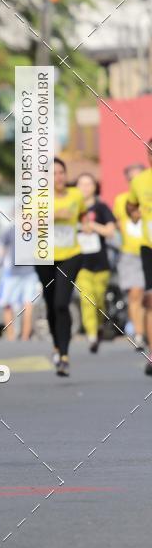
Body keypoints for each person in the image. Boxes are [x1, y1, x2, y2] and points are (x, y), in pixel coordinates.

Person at [35, 158, 86, 377]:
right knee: (50, 303)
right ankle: (56, 345)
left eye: (61, 173)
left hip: (71, 255)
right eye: (53, 173)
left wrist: (89, 225)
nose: (58, 177)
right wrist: (53, 216)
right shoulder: (38, 198)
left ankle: (64, 356)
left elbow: (84, 215)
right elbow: (26, 222)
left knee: (61, 304)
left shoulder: (76, 196)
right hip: (45, 257)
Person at [75, 173, 116, 353]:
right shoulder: (72, 207)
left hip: (101, 263)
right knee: (87, 299)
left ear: (94, 187)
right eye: (81, 184)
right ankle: (91, 335)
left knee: (98, 300)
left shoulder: (101, 207)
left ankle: (99, 326)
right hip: (80, 262)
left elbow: (110, 231)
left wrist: (93, 227)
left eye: (88, 184)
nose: (84, 187)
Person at [126, 140, 152, 376]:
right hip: (148, 247)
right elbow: (130, 205)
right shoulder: (140, 181)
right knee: (150, 298)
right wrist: (133, 214)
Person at [114, 164, 146, 350]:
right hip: (130, 253)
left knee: (147, 298)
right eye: (130, 178)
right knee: (135, 294)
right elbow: (119, 224)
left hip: (148, 250)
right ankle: (139, 334)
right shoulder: (121, 200)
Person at [0, 223, 39, 341]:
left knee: (8, 304)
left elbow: (1, 247)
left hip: (15, 273)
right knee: (28, 304)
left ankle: (12, 336)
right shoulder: (34, 228)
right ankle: (24, 337)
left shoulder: (13, 229)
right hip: (30, 271)